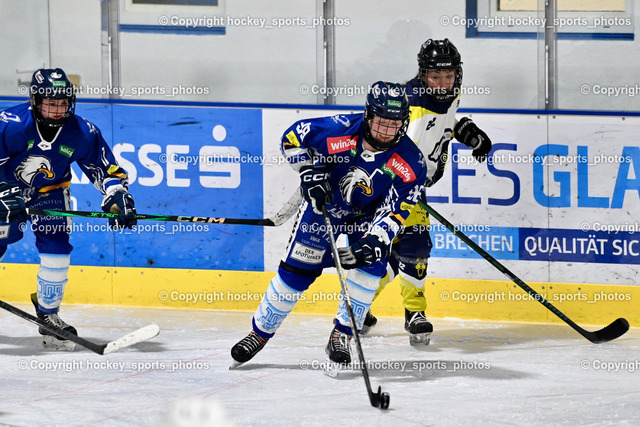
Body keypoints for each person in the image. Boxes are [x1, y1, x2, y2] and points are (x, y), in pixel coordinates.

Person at [231, 81, 427, 366]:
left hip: (366, 220)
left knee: (368, 273)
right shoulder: (339, 129)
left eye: (394, 124)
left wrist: (376, 240)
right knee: (295, 274)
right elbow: (291, 138)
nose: (386, 131)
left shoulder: (412, 162)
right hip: (323, 211)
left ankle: (342, 334)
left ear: (404, 122)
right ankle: (259, 333)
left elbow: (396, 210)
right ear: (368, 115)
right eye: (381, 122)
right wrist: (307, 170)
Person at [362, 39, 493, 347]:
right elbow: (384, 149)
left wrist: (467, 132)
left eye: (448, 75)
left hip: (414, 184)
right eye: (435, 76)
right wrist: (402, 186)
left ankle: (356, 303)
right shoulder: (411, 107)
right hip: (396, 186)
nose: (442, 83)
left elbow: (445, 121)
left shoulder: (449, 94)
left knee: (396, 256)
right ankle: (415, 313)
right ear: (423, 74)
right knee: (416, 245)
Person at [0, 68, 137, 351]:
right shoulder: (10, 125)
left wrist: (117, 194)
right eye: (50, 103)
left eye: (63, 103)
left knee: (57, 250)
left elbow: (105, 170)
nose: (57, 109)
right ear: (35, 101)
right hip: (4, 190)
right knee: (3, 234)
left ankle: (48, 315)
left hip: (49, 192)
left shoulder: (83, 132)